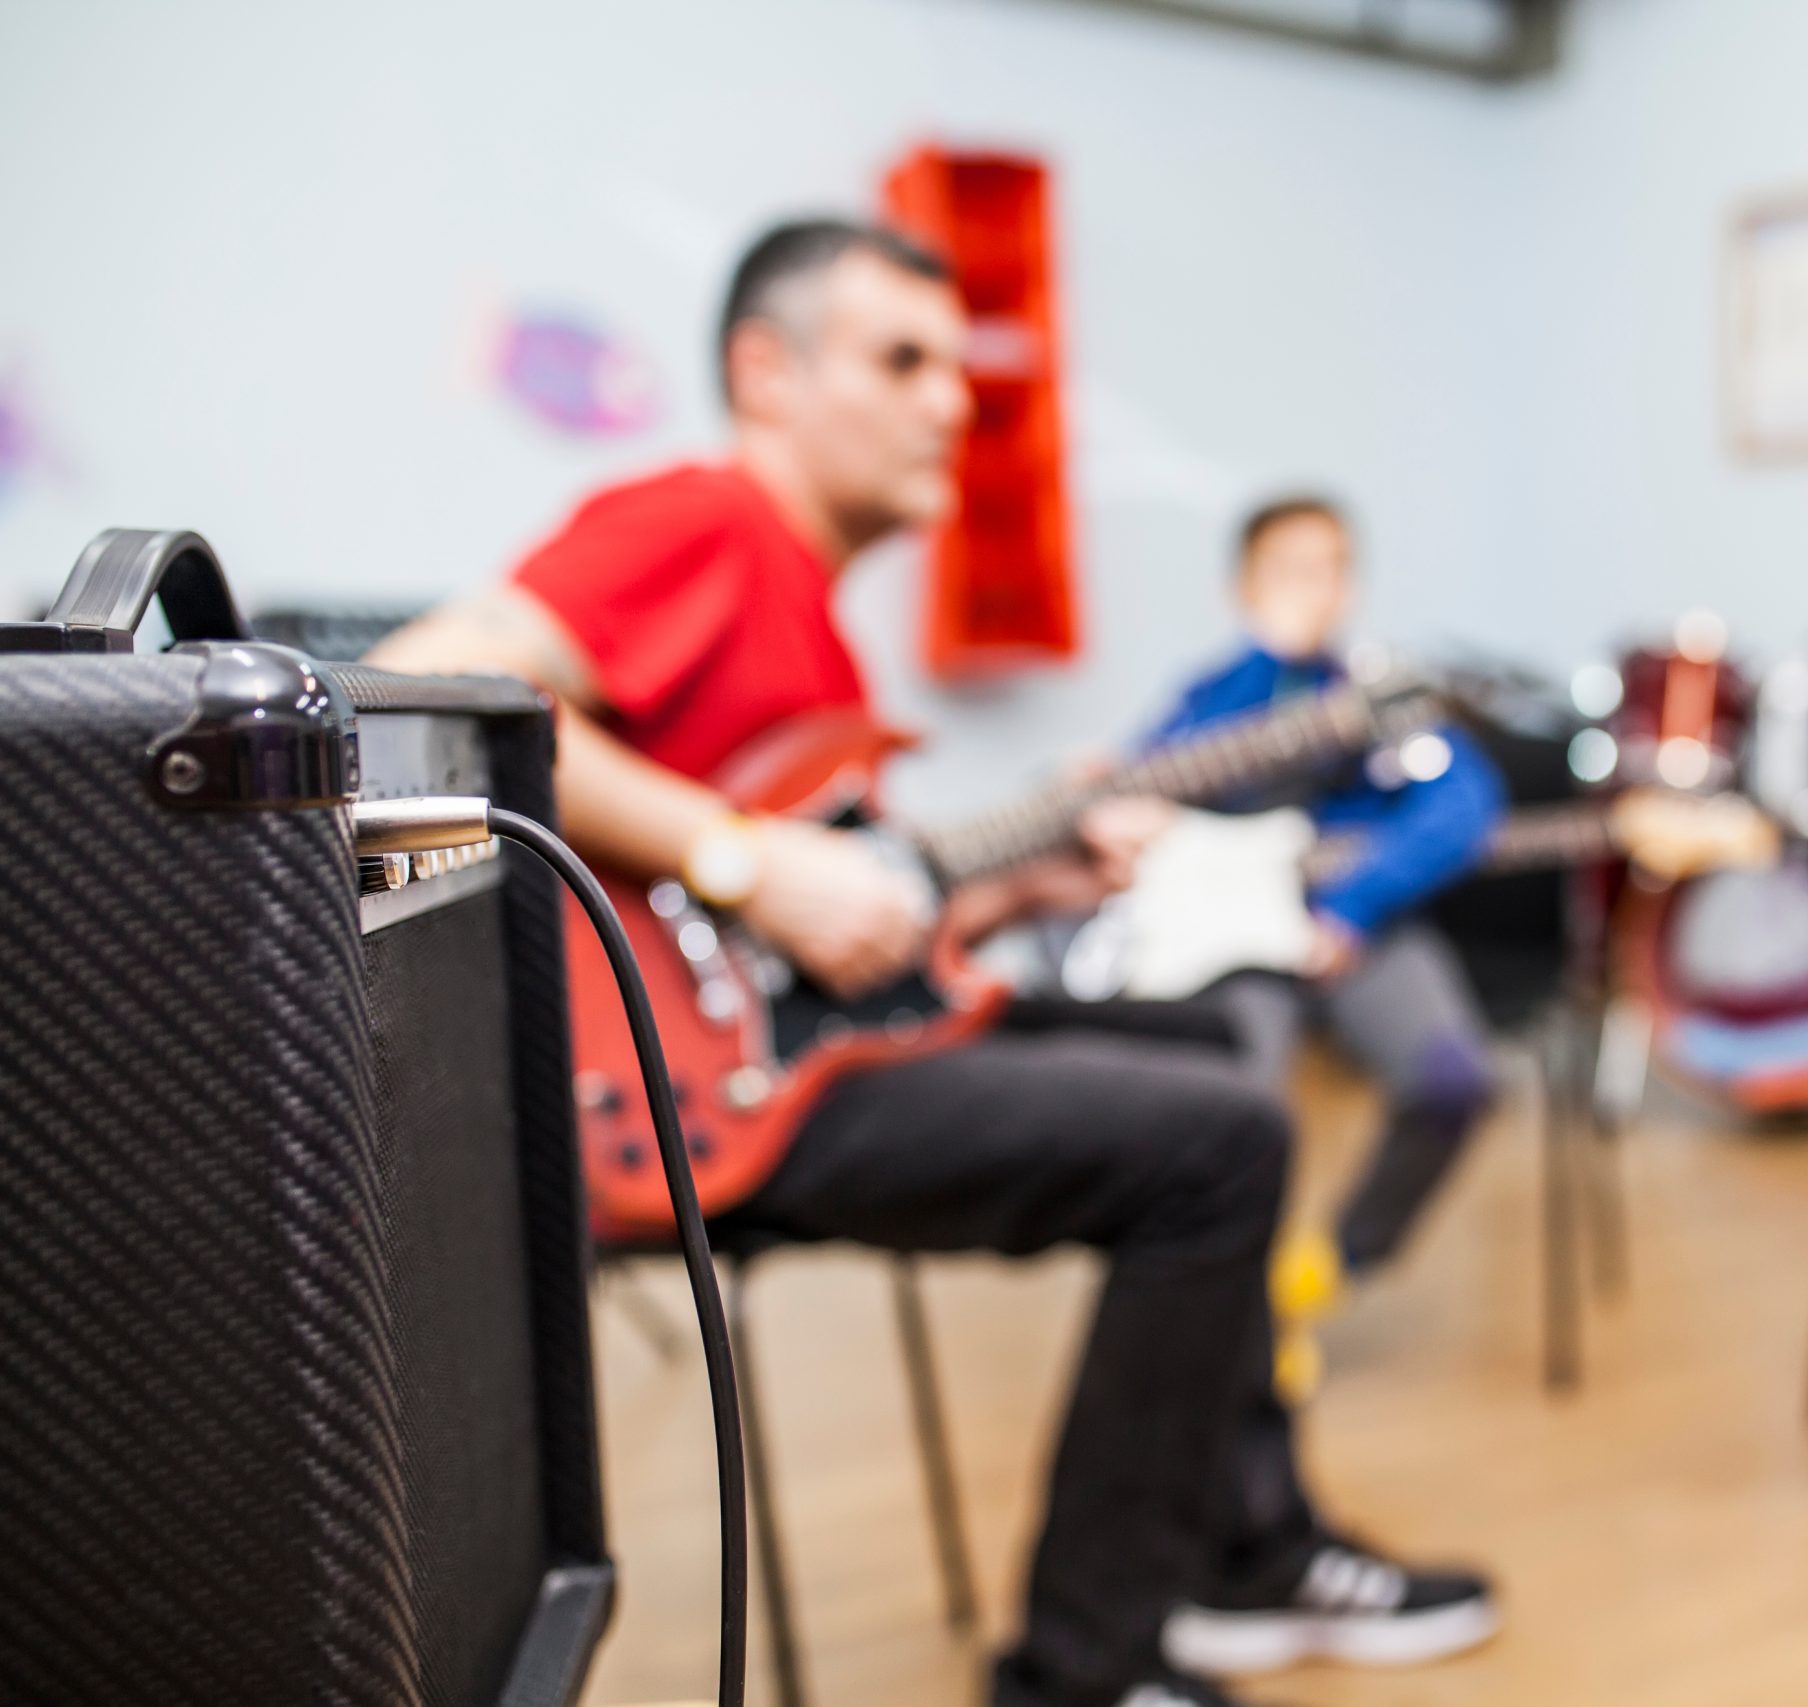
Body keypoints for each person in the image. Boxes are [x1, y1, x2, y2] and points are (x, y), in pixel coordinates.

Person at [372, 220, 1494, 1707]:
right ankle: (1083, 1671)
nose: (951, 403)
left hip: (801, 1040)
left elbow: (843, 918)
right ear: (766, 374)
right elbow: (420, 692)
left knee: (1218, 1047)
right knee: (1222, 1143)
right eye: (901, 361)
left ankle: (1244, 1543)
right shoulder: (700, 519)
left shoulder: (810, 614)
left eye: (956, 370)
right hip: (700, 1100)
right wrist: (741, 859)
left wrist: (1008, 886)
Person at [1145, 497, 1506, 1340]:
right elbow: (1148, 788)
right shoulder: (1210, 696)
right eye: (1292, 569)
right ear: (1243, 588)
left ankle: (1333, 1261)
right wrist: (1264, 664)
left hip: (1356, 929)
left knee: (1455, 1079)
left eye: (1333, 567)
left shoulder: (1381, 696)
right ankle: (1240, 1313)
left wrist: (1352, 908)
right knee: (1241, 1116)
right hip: (1236, 946)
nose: (1317, 587)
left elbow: (1463, 801)